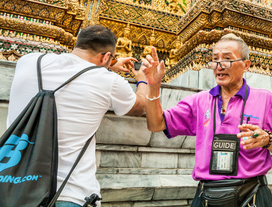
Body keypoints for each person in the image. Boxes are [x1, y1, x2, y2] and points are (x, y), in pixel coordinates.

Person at [7, 25, 162, 207]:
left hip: (13, 186)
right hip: (68, 194)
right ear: (105, 56)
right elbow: (140, 105)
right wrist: (142, 78)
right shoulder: (109, 81)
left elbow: (71, 64)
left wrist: (109, 63)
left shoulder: (29, 61)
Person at [143, 33, 272, 207]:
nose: (219, 65)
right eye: (215, 60)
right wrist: (153, 87)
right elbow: (156, 125)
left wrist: (267, 140)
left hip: (252, 194)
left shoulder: (266, 99)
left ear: (246, 65)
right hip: (208, 195)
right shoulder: (199, 101)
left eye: (227, 59)